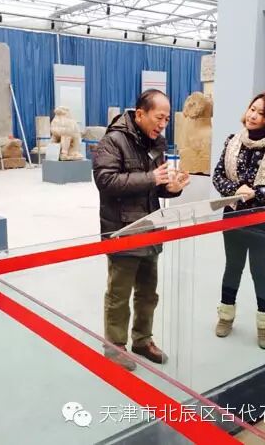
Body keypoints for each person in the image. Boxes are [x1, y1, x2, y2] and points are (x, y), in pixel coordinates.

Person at [93, 89, 190, 371]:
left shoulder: (156, 142)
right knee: (119, 295)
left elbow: (155, 187)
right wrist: (151, 178)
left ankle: (142, 340)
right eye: (159, 117)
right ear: (140, 114)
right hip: (122, 229)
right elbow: (106, 181)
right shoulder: (113, 141)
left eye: (167, 119)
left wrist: (171, 188)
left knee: (148, 293)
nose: (163, 124)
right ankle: (115, 347)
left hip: (150, 227)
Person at [212, 92, 265, 350]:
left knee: (260, 270)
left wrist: (257, 193)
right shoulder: (232, 141)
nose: (253, 115)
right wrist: (236, 190)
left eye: (261, 113)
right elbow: (217, 176)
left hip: (264, 217)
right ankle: (226, 316)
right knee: (232, 266)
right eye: (252, 109)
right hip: (233, 214)